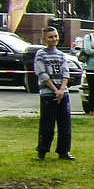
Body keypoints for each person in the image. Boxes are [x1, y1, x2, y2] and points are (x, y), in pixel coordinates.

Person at [34, 26, 74, 160]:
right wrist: (54, 89)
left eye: (56, 36)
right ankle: (42, 150)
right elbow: (42, 73)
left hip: (63, 93)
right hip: (48, 94)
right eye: (51, 37)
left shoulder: (61, 55)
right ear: (44, 39)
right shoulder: (41, 54)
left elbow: (65, 72)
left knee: (65, 124)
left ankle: (64, 151)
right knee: (47, 124)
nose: (54, 39)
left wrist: (62, 89)